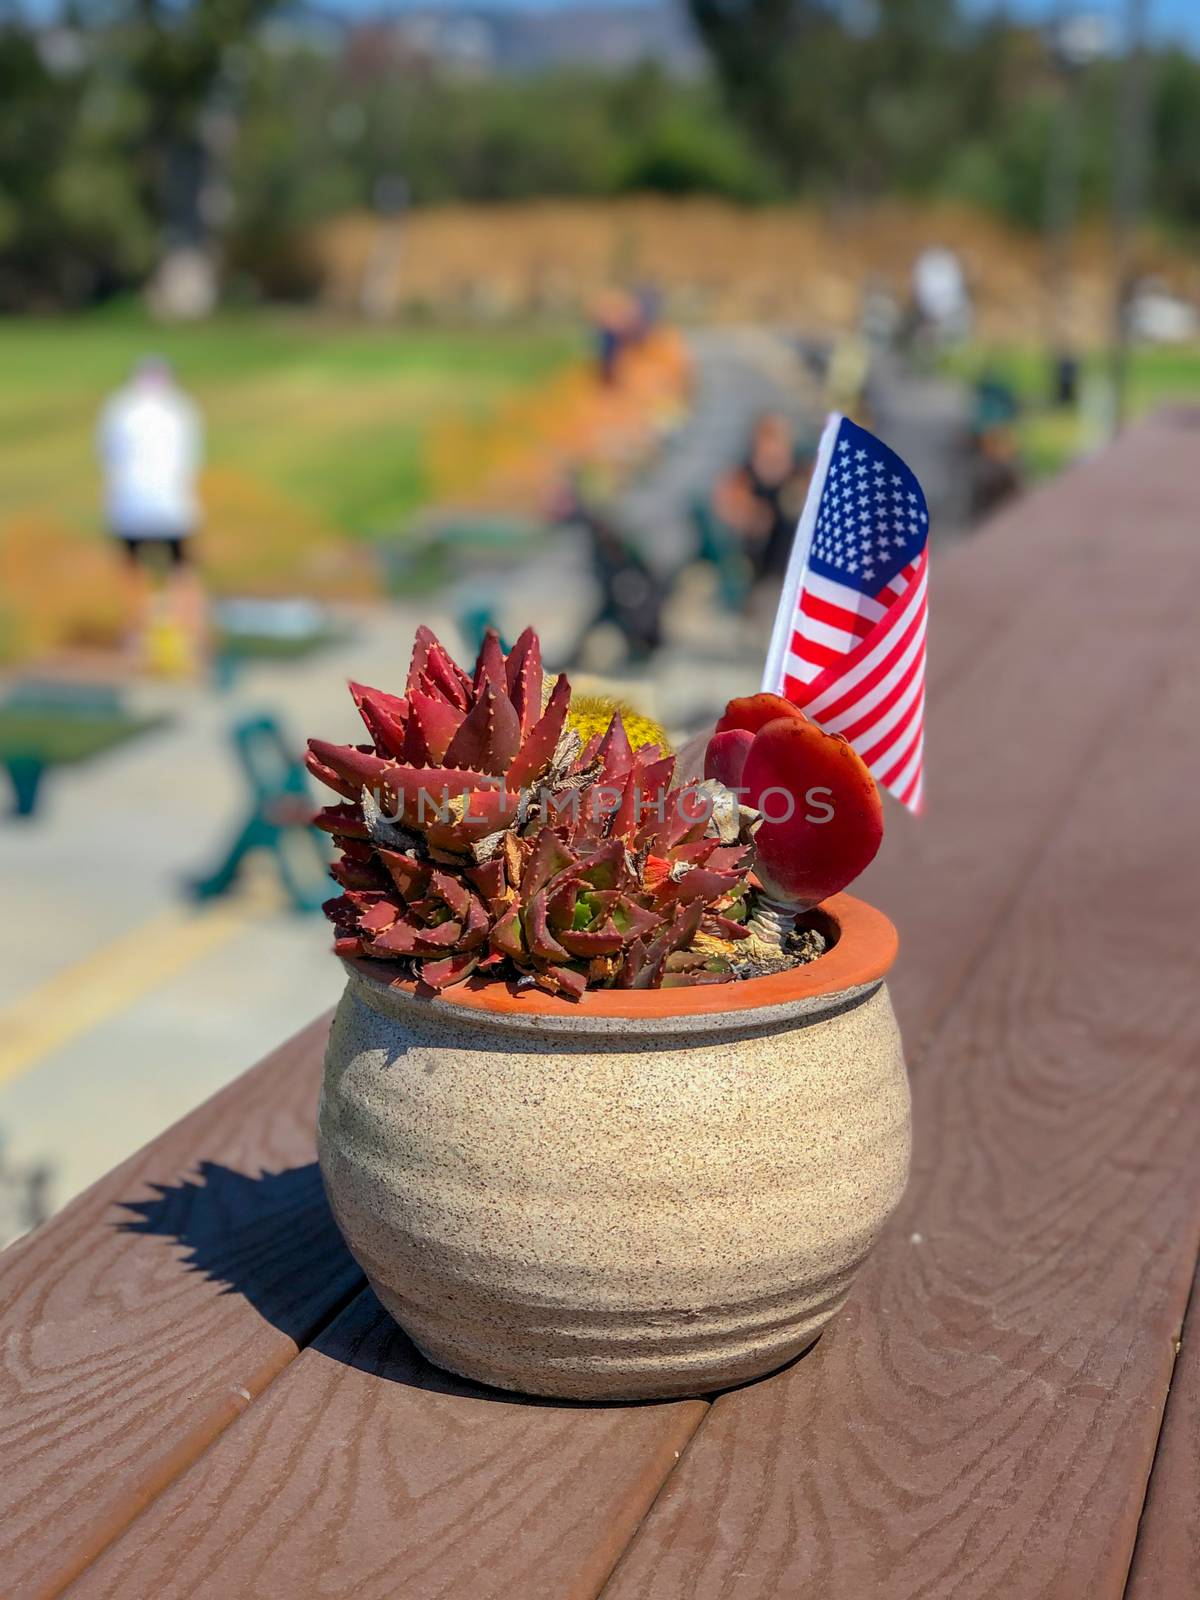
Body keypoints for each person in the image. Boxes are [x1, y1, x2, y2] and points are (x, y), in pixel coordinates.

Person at [97, 356, 205, 666]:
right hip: (173, 504)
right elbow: (192, 458)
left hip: (131, 503)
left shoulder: (119, 407)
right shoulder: (182, 408)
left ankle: (135, 636)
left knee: (133, 570)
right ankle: (191, 636)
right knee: (181, 570)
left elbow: (107, 454)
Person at [713, 413, 811, 585]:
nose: (776, 454)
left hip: (800, 569)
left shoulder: (802, 472)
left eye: (781, 445)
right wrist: (751, 515)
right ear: (757, 448)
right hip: (765, 578)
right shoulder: (741, 483)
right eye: (770, 451)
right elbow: (736, 515)